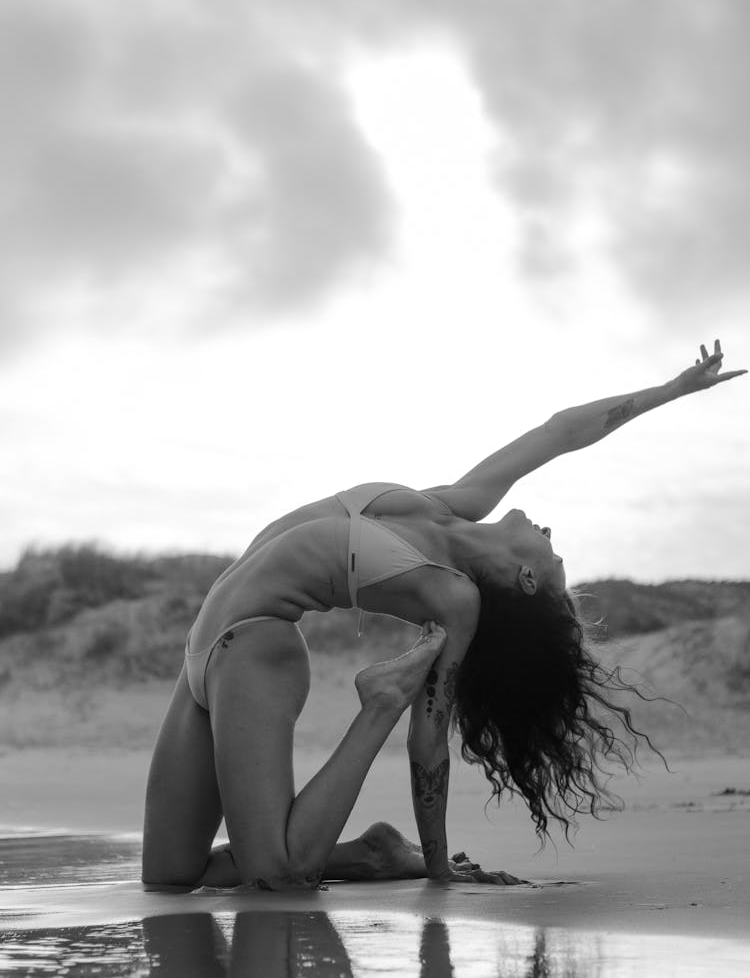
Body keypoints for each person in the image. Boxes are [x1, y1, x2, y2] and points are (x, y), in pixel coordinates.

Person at [141, 340, 745, 892]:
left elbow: (429, 740)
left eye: (555, 557)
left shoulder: (456, 598)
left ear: (526, 580)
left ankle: (377, 702)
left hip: (252, 650)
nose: (551, 533)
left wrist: (440, 871)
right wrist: (670, 392)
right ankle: (372, 854)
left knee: (279, 876)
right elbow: (559, 432)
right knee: (171, 875)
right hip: (199, 649)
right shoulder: (459, 504)